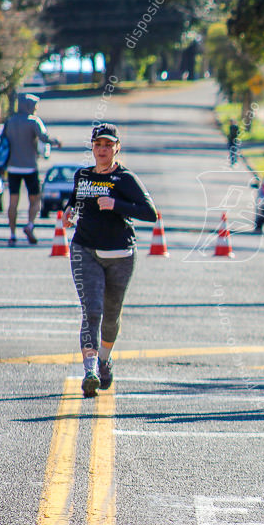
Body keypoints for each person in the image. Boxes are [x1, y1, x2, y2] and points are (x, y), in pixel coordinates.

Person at [63, 124, 157, 397]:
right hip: (85, 249)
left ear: (117, 148)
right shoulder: (82, 176)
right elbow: (74, 203)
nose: (102, 150)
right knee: (92, 310)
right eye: (98, 145)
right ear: (92, 147)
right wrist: (68, 213)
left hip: (121, 255)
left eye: (108, 145)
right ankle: (90, 370)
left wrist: (117, 205)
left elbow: (150, 213)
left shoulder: (125, 179)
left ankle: (104, 359)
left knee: (111, 314)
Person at [4, 94, 61, 246]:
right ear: (30, 106)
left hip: (12, 167)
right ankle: (29, 225)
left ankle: (12, 234)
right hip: (29, 167)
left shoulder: (10, 121)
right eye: (35, 106)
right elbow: (44, 137)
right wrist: (56, 142)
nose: (36, 109)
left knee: (13, 201)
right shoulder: (33, 121)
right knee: (35, 200)